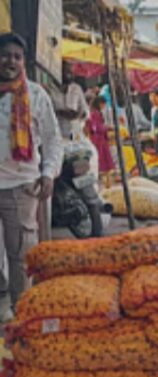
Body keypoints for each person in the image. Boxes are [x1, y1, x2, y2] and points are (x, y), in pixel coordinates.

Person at [0, 33, 62, 317]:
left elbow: (52, 140)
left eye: (17, 56)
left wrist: (48, 173)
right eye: (5, 55)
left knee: (21, 256)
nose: (10, 61)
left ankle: (21, 316)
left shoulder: (36, 96)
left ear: (23, 61)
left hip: (22, 186)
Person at [85, 96, 114, 189]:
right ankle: (105, 183)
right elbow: (96, 127)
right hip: (98, 140)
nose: (104, 106)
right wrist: (107, 128)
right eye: (103, 104)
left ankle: (107, 183)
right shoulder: (95, 114)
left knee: (104, 163)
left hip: (100, 139)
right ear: (100, 104)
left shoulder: (94, 113)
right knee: (102, 163)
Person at [52, 70, 88, 140]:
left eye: (71, 73)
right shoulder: (50, 89)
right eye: (67, 72)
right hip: (56, 132)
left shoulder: (76, 88)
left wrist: (77, 115)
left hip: (74, 133)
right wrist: (60, 113)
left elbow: (85, 110)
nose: (70, 75)